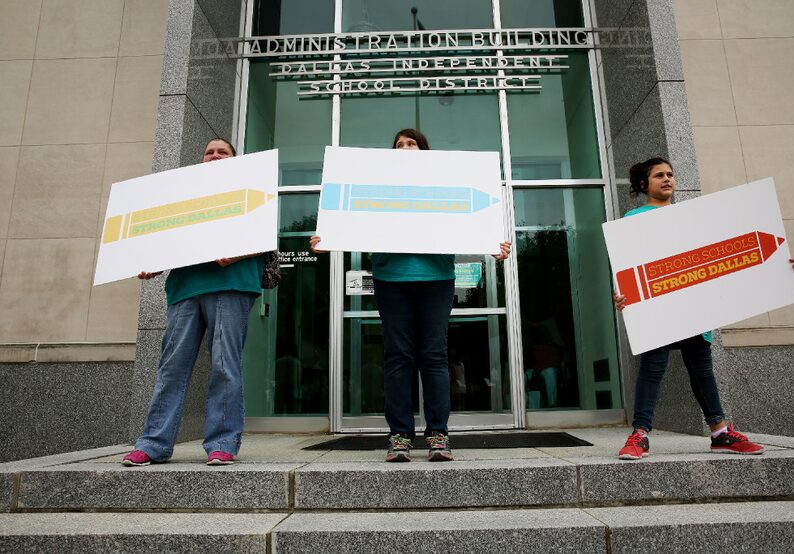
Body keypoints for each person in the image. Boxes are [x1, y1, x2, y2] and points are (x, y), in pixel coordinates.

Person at [311, 128, 511, 462]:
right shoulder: (378, 185)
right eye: (399, 145)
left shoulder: (443, 182)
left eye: (411, 144)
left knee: (433, 356)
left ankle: (438, 435)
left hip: (436, 279)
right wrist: (326, 237)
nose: (405, 148)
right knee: (398, 356)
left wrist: (494, 244)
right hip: (392, 279)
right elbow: (352, 216)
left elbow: (469, 221)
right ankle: (400, 436)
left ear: (424, 151)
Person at [614, 157, 794, 460]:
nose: (667, 179)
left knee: (702, 371)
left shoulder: (696, 217)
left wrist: (777, 265)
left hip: (696, 311)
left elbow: (729, 258)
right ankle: (640, 435)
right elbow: (631, 267)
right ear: (644, 184)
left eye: (671, 174)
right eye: (659, 175)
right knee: (652, 369)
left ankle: (720, 433)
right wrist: (622, 295)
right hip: (659, 311)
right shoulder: (634, 217)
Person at [122, 138, 265, 467]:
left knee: (224, 366)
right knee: (171, 368)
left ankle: (223, 442)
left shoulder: (252, 189)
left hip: (231, 283)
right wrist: (151, 264)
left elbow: (266, 236)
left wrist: (237, 253)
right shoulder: (182, 195)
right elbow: (167, 238)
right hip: (186, 287)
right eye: (209, 152)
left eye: (223, 152)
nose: (215, 155)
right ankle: (153, 443)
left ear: (235, 160)